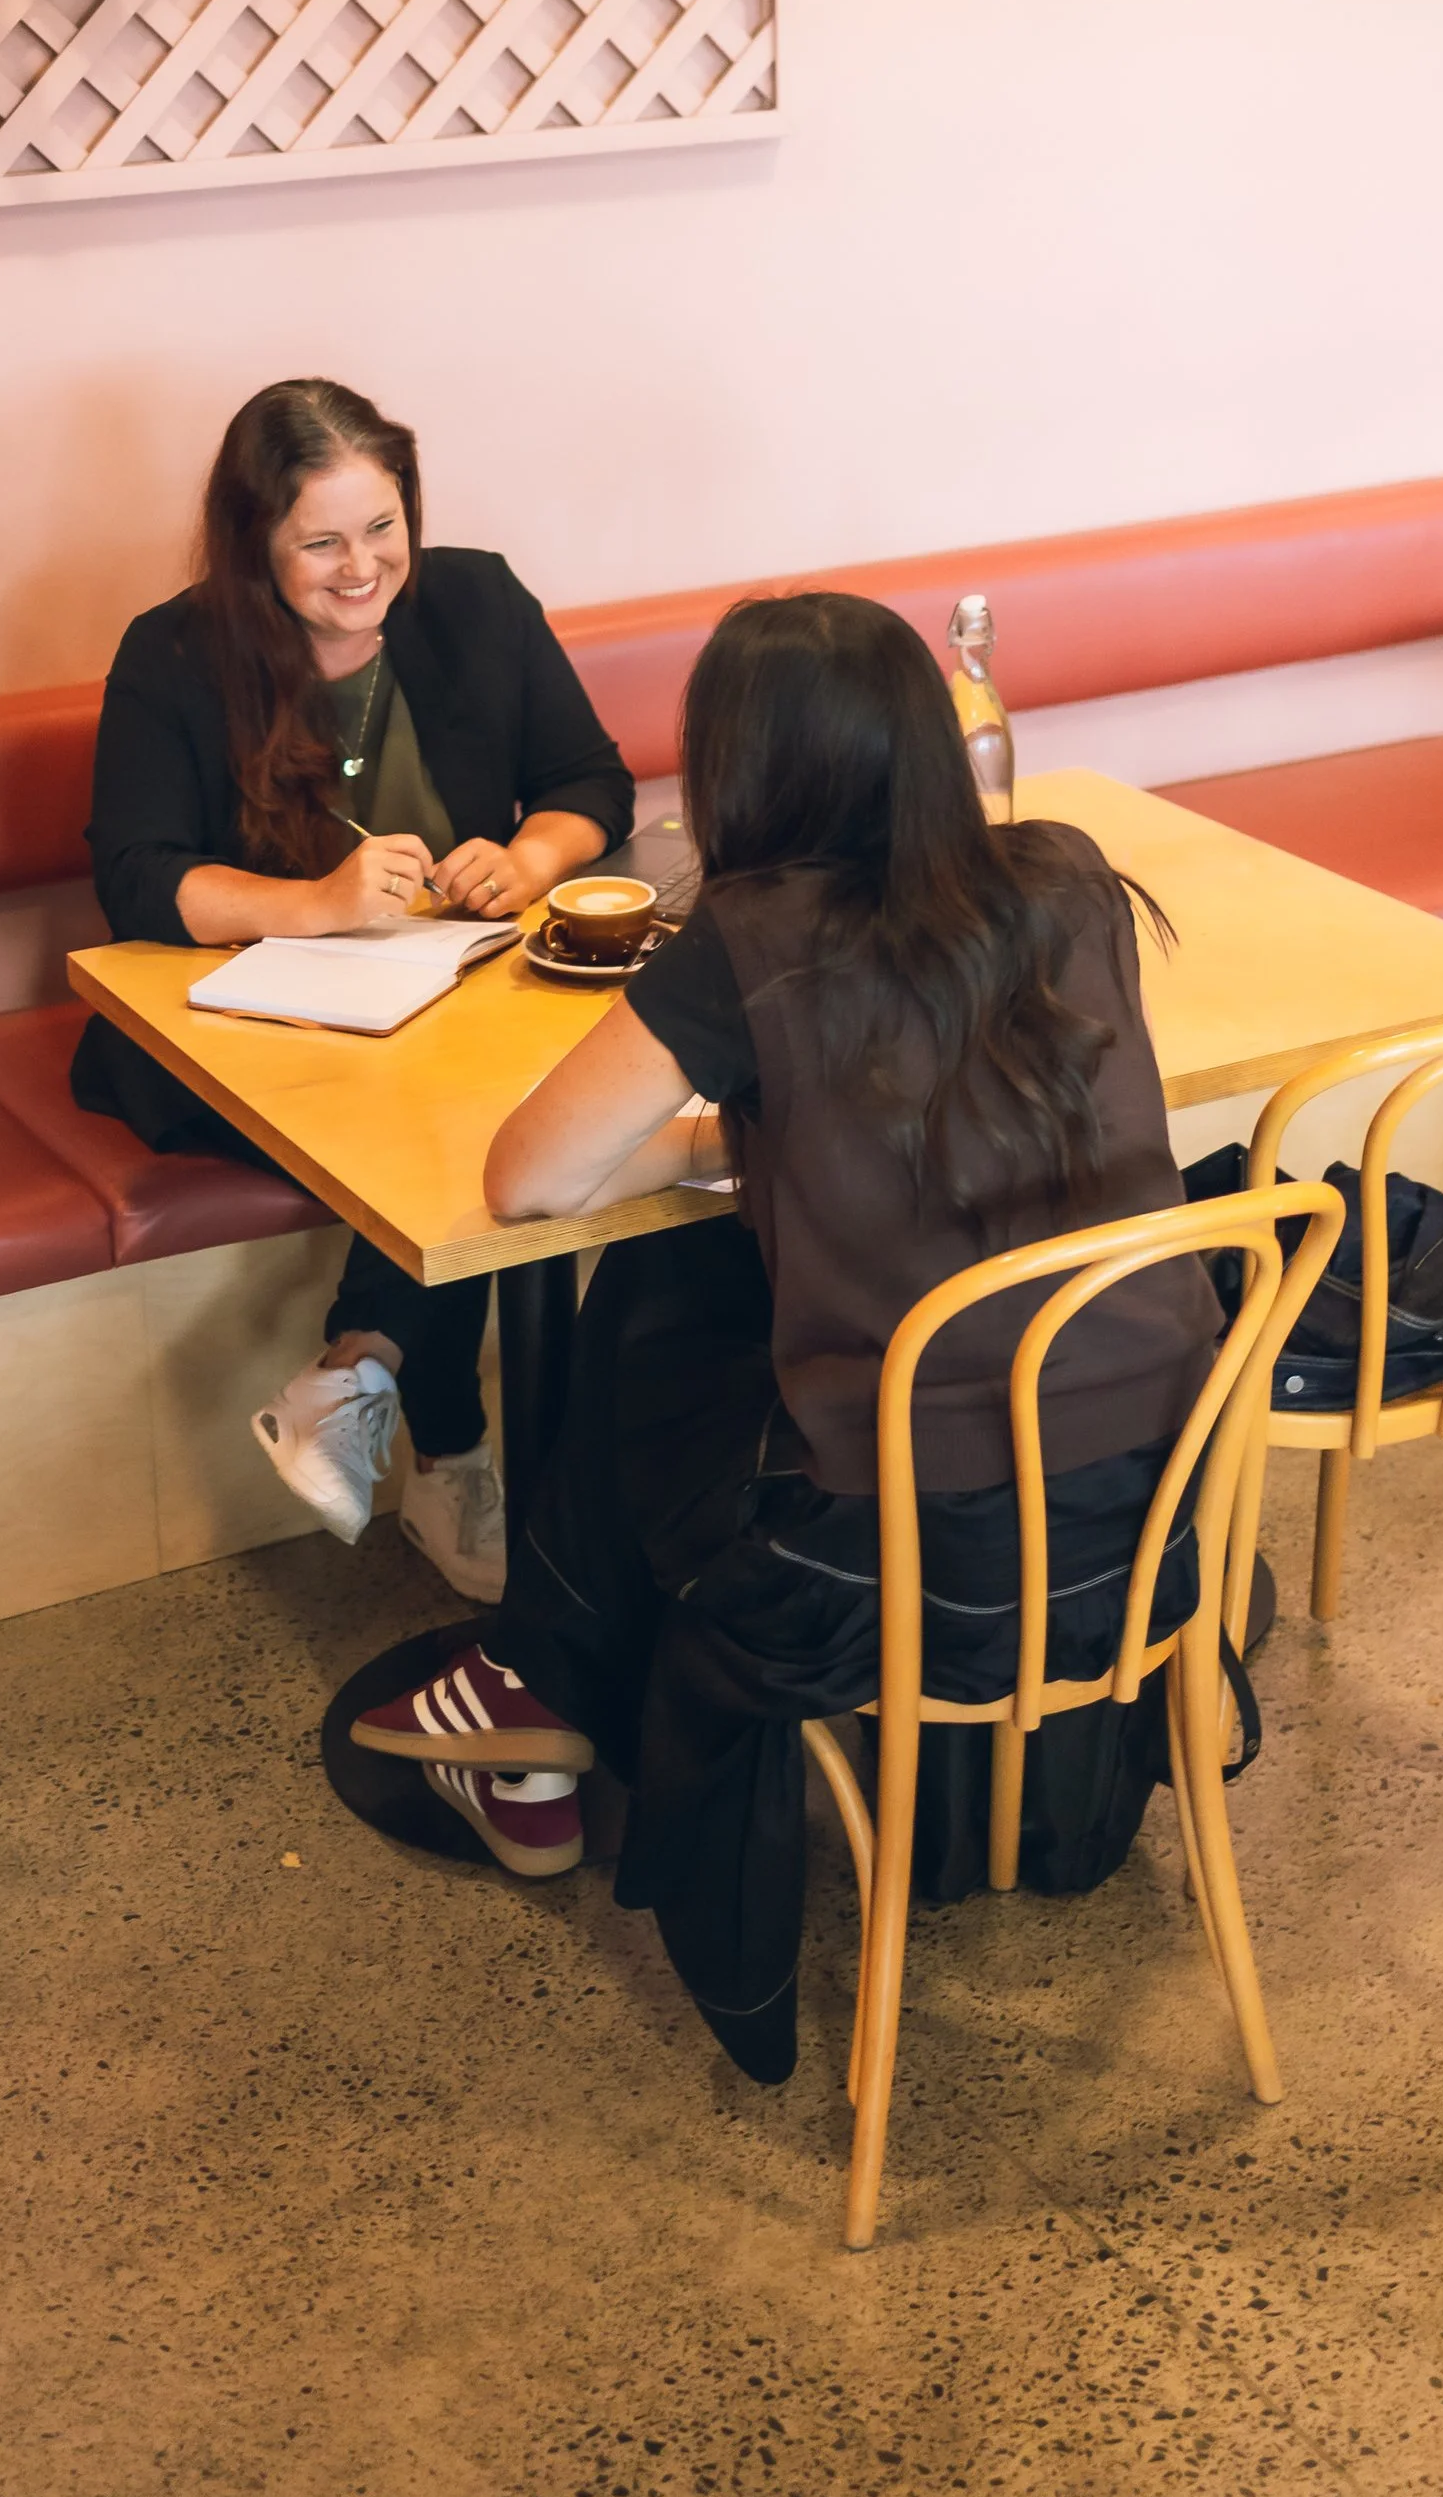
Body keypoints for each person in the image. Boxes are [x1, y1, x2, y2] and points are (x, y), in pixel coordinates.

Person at [353, 590, 1222, 2082]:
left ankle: (545, 1689)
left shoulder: (751, 937)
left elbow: (529, 1178)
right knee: (697, 1303)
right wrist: (743, 1133)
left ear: (746, 770)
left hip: (912, 1571)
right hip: (1150, 1524)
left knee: (641, 1321)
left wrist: (703, 1134)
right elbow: (963, 1096)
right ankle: (540, 1684)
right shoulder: (1069, 878)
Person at [72, 378, 634, 1602]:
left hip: (460, 999)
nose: (362, 567)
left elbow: (593, 780)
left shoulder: (477, 601)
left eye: (383, 528)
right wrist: (314, 904)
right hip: (242, 1024)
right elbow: (134, 881)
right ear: (254, 542)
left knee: (513, 1107)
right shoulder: (172, 654)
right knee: (466, 1137)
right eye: (320, 542)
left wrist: (528, 857)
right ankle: (442, 1438)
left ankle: (360, 1379)